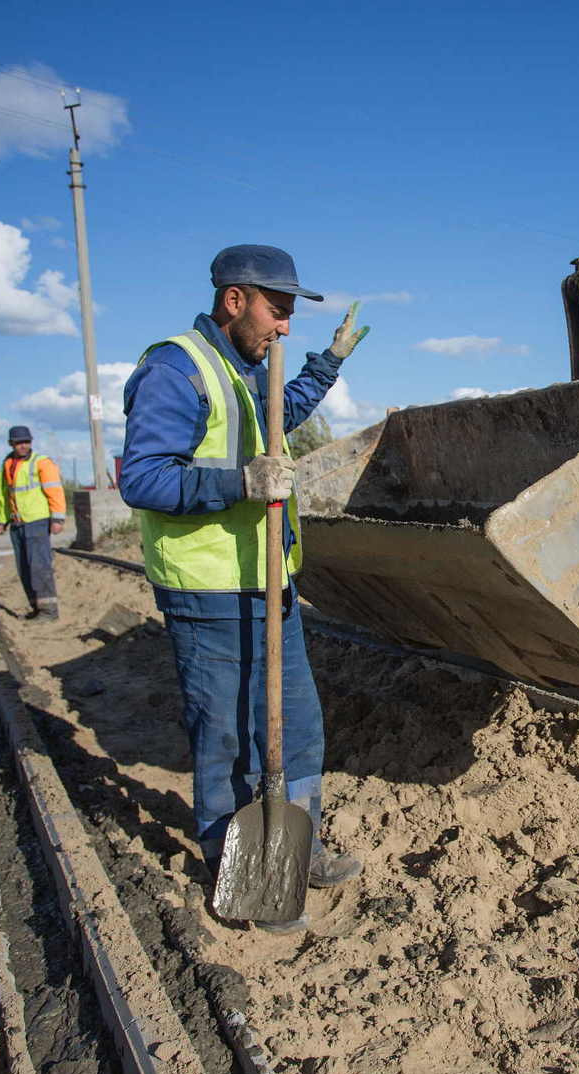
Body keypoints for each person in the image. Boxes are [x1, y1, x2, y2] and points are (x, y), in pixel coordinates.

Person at [118, 244, 369, 924]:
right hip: (209, 590)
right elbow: (141, 477)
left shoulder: (246, 370)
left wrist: (331, 362)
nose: (285, 327)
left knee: (298, 730)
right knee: (227, 735)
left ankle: (299, 850)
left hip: (268, 587)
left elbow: (281, 409)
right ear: (236, 300)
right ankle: (237, 867)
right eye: (278, 312)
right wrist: (240, 484)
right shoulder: (176, 368)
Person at [0, 425, 65, 620]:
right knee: (24, 567)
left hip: (37, 521)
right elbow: (2, 494)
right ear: (11, 444)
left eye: (26, 442)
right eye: (19, 442)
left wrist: (57, 518)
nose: (23, 446)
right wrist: (1, 520)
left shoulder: (41, 462)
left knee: (39, 566)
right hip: (17, 524)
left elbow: (54, 490)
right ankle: (36, 608)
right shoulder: (7, 464)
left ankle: (49, 611)